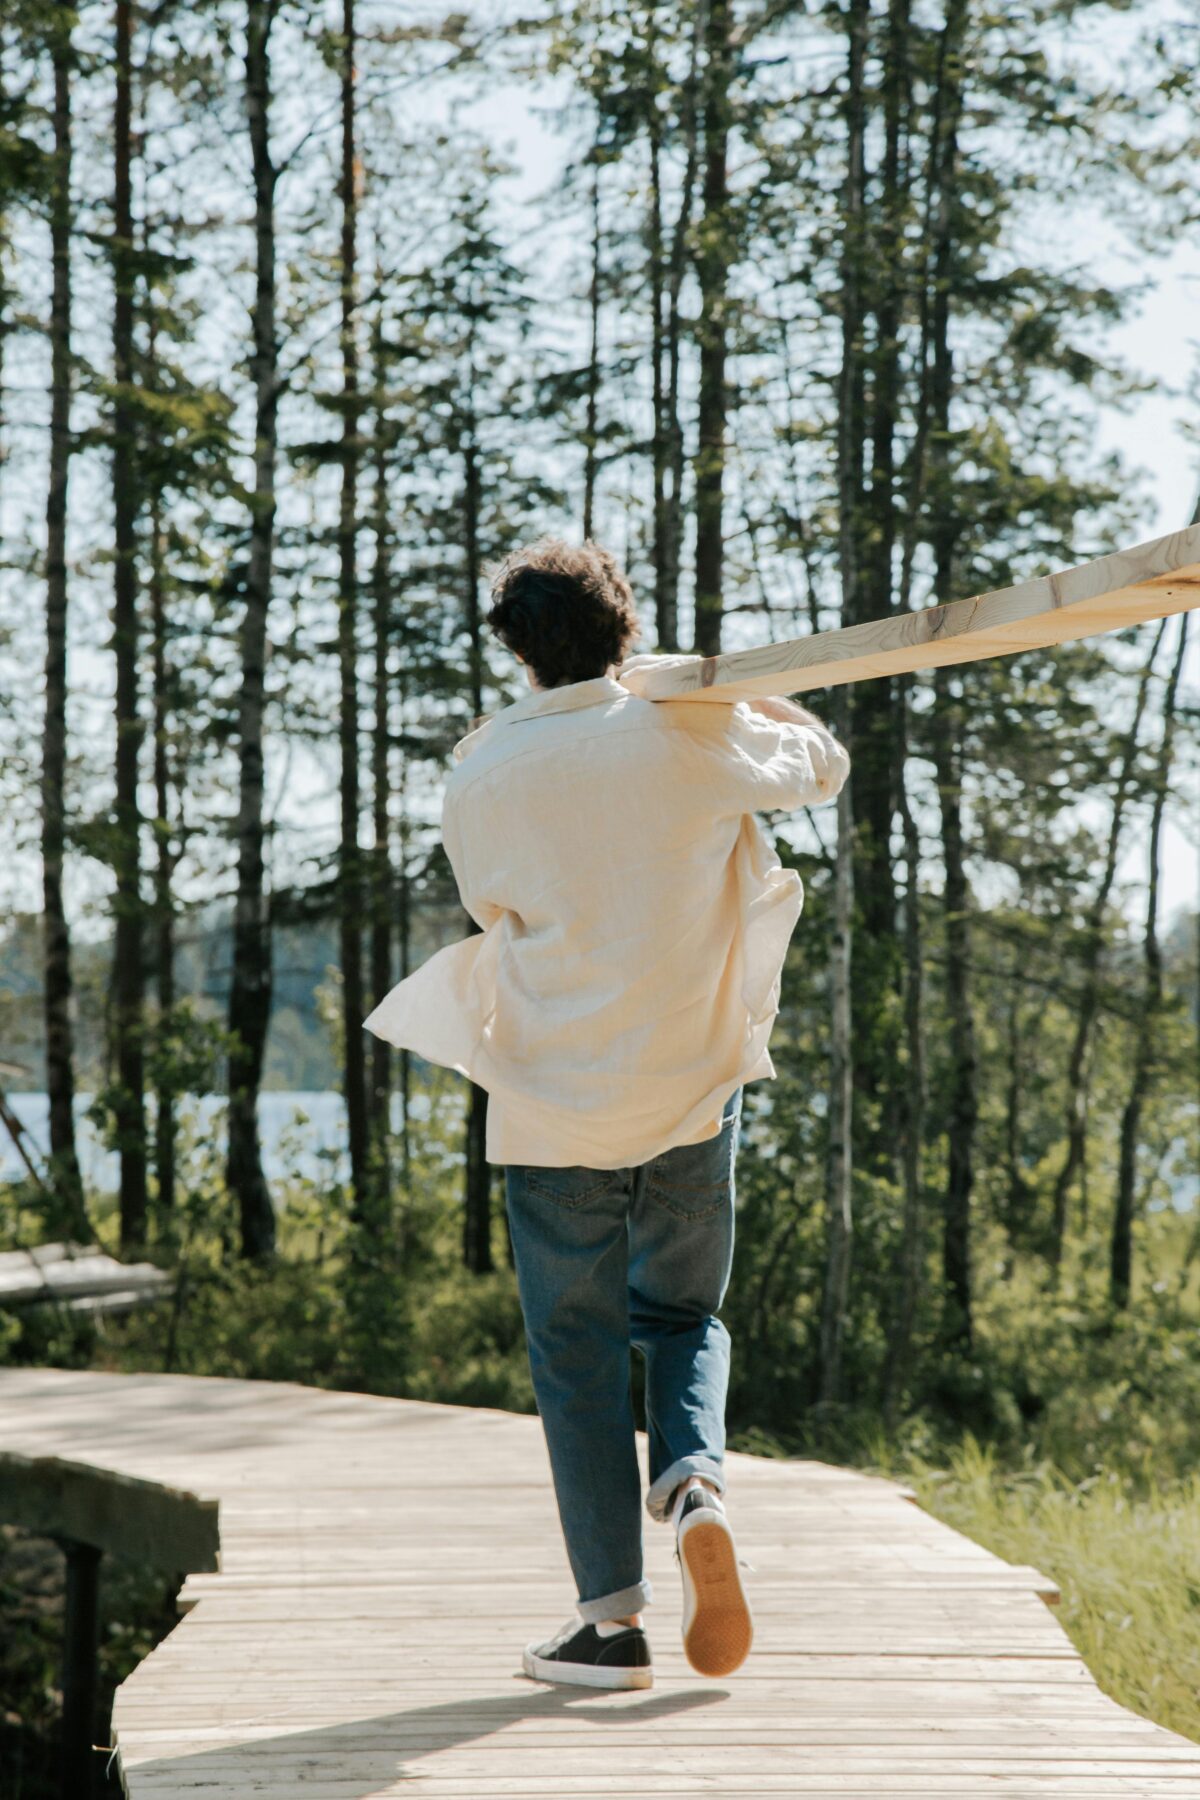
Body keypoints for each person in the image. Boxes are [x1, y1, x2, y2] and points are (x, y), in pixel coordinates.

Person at [364, 538, 850, 1690]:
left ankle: (611, 1626)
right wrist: (738, 689)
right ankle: (694, 1487)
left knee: (575, 1356)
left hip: (554, 1103)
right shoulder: (686, 732)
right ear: (625, 625)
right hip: (690, 1087)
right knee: (683, 1318)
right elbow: (820, 766)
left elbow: (490, 901)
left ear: (518, 651)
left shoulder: (481, 772)